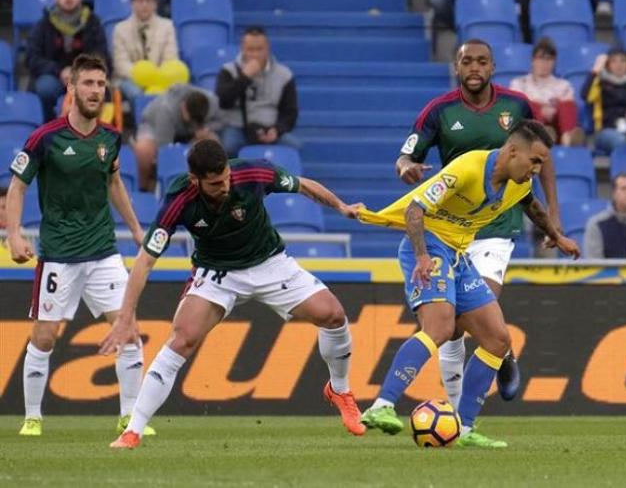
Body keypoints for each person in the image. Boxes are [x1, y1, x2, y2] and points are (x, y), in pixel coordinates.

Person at [101, 139, 367, 449]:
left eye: (225, 177)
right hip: (217, 273)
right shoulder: (179, 198)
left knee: (333, 316)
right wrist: (124, 317)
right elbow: (145, 260)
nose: (224, 186)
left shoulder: (252, 174)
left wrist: (341, 206)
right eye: (214, 183)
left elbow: (303, 186)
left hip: (269, 262)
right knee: (182, 339)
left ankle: (340, 390)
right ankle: (133, 430)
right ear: (194, 180)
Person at [359, 120, 580, 447]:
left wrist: (556, 236)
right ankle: (382, 406)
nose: (536, 169)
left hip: (457, 254)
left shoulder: (517, 183)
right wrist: (422, 256)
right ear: (512, 151)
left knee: (497, 339)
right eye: (534, 161)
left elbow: (532, 206)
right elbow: (414, 210)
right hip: (429, 245)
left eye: (541, 164)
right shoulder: (468, 167)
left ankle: (463, 429)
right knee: (440, 327)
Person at [395, 39, 561, 418]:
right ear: (457, 66)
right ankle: (458, 415)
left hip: (498, 225)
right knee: (452, 328)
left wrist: (553, 213)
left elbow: (543, 157)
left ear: (493, 67)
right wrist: (406, 166)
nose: (474, 68)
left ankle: (496, 349)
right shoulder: (438, 111)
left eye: (482, 62)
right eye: (467, 61)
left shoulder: (516, 106)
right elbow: (407, 154)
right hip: (450, 229)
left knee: (474, 307)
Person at [5, 54, 152, 437]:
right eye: (87, 84)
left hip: (103, 252)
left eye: (101, 85)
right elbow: (18, 186)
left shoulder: (110, 138)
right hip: (58, 256)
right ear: (71, 89)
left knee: (128, 330)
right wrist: (14, 233)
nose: (95, 91)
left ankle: (130, 418)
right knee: (44, 336)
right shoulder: (45, 138)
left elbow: (114, 184)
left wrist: (136, 230)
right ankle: (33, 417)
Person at [216, 26, 301, 158]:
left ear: (267, 48)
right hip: (238, 127)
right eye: (250, 50)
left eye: (259, 49)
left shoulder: (284, 74)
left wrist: (277, 130)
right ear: (242, 49)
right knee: (228, 146)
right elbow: (224, 102)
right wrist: (244, 77)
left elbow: (290, 112)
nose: (255, 55)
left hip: (270, 127)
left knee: (292, 146)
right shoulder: (228, 71)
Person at [26, 0, 111, 121]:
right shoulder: (44, 23)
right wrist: (60, 71)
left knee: (100, 87)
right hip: (53, 75)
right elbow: (32, 58)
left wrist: (79, 72)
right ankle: (49, 128)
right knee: (45, 88)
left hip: (85, 75)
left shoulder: (93, 22)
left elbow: (101, 55)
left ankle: (91, 132)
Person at [133, 83, 223, 192]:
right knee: (144, 150)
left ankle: (210, 186)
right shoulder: (166, 110)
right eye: (192, 120)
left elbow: (220, 122)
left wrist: (205, 130)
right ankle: (145, 188)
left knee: (213, 142)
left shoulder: (212, 102)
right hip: (155, 127)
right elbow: (164, 149)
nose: (193, 123)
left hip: (191, 132)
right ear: (183, 107)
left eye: (197, 120)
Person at [510, 37, 585, 146]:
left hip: (558, 128)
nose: (544, 63)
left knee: (567, 105)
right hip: (530, 129)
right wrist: (541, 109)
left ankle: (568, 139)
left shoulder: (563, 85)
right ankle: (542, 135)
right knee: (528, 106)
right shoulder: (519, 83)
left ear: (554, 62)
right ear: (533, 60)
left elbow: (568, 108)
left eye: (549, 59)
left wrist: (553, 109)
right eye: (540, 58)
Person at [112, 0, 180, 102]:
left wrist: (155, 76)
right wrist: (143, 76)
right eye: (140, 1)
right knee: (135, 92)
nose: (144, 5)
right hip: (131, 78)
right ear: (132, 4)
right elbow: (120, 64)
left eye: (148, 1)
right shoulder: (120, 29)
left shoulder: (167, 26)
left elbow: (171, 59)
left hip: (159, 78)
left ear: (155, 4)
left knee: (170, 90)